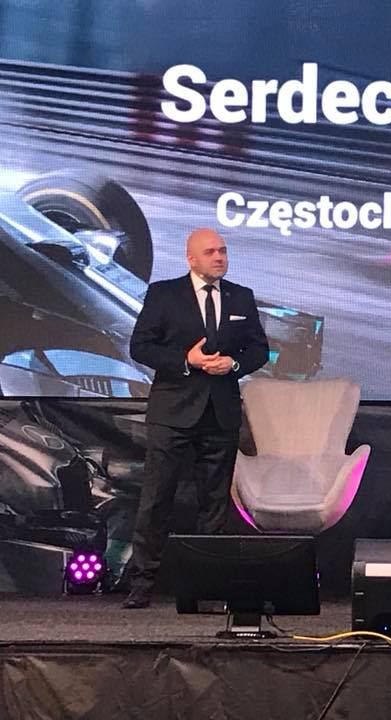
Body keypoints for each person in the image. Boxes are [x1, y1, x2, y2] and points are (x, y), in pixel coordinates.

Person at [122, 228, 268, 608]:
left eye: (223, 251)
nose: (219, 257)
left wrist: (234, 364)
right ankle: (142, 582)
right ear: (191, 258)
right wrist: (185, 360)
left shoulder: (241, 296)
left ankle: (209, 586)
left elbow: (259, 350)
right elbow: (140, 346)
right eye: (210, 252)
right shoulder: (164, 294)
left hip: (220, 413)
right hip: (172, 412)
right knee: (157, 498)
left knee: (215, 504)